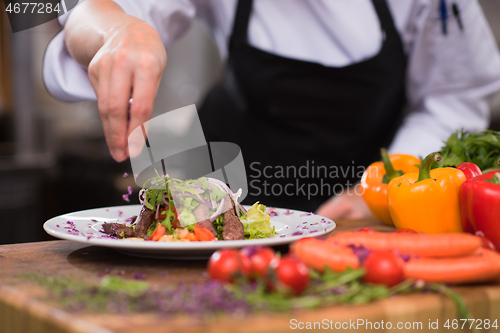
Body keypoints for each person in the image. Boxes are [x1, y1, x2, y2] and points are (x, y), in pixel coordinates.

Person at [43, 0, 500, 218]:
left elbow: (454, 97)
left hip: (351, 209)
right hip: (212, 185)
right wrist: (117, 27)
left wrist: (380, 193)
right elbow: (69, 8)